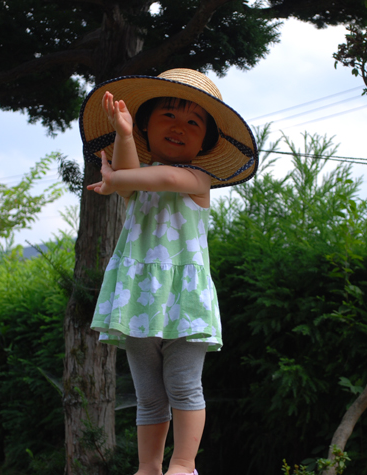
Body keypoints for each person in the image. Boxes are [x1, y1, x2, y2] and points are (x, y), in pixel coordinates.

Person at [79, 68, 258, 475]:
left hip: (184, 301)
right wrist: (125, 136)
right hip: (137, 298)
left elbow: (162, 176)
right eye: (169, 115)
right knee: (149, 394)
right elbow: (132, 182)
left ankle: (182, 464)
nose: (179, 127)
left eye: (193, 122)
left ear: (206, 140)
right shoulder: (137, 180)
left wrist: (117, 177)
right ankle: (148, 466)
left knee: (183, 385)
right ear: (148, 124)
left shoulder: (197, 178)